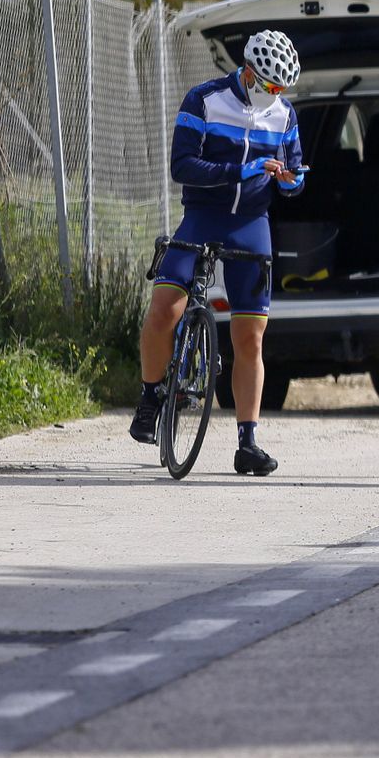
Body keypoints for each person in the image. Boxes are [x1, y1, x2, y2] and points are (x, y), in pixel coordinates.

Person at [129, 30, 305, 476]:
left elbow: (297, 169)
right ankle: (151, 398)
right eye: (269, 85)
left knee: (251, 338)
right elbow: (181, 165)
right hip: (203, 214)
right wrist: (239, 170)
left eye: (282, 88)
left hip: (252, 224)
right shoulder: (204, 99)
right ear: (248, 73)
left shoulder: (284, 114)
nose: (276, 94)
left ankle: (248, 441)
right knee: (164, 309)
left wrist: (291, 181)